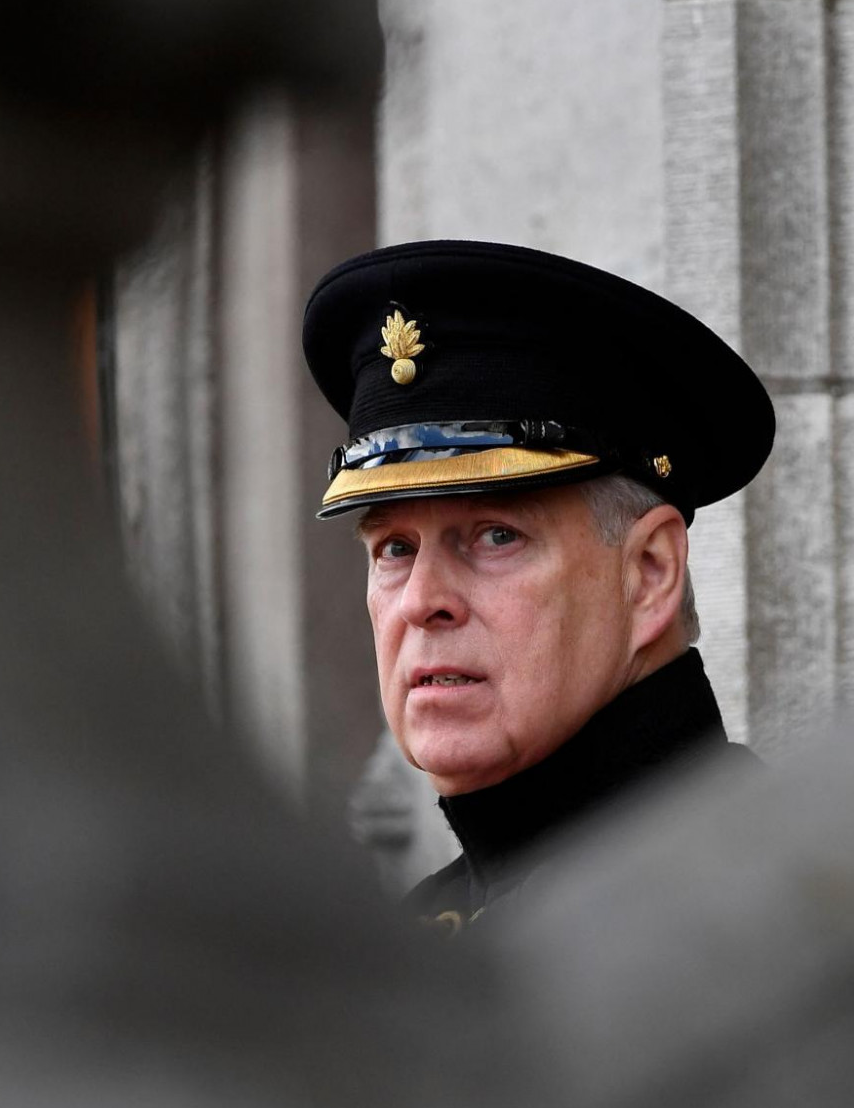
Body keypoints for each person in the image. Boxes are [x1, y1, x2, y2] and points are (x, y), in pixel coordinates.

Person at [303, 240, 774, 933]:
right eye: (395, 548)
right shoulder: (427, 924)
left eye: (497, 535)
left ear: (651, 572)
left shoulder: (756, 891)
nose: (422, 601)